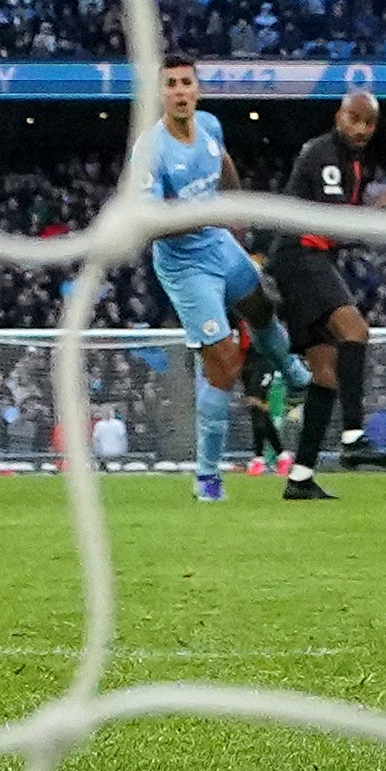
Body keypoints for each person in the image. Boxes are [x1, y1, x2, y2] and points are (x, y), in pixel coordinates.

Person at [138, 50, 277, 502]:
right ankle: (207, 477)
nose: (180, 91)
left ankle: (292, 372)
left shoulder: (211, 126)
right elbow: (153, 223)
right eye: (171, 84)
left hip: (220, 243)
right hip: (183, 263)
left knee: (261, 304)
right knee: (223, 363)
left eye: (186, 83)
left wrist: (235, 216)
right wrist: (204, 216)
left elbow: (226, 164)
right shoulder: (151, 150)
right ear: (160, 93)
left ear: (197, 88)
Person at [256, 86, 386, 494]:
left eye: (369, 122)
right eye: (355, 119)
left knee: (325, 374)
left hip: (304, 260)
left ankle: (300, 478)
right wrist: (373, 209)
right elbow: (333, 224)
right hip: (302, 257)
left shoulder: (350, 162)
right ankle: (353, 437)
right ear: (339, 117)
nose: (362, 128)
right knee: (356, 332)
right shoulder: (325, 156)